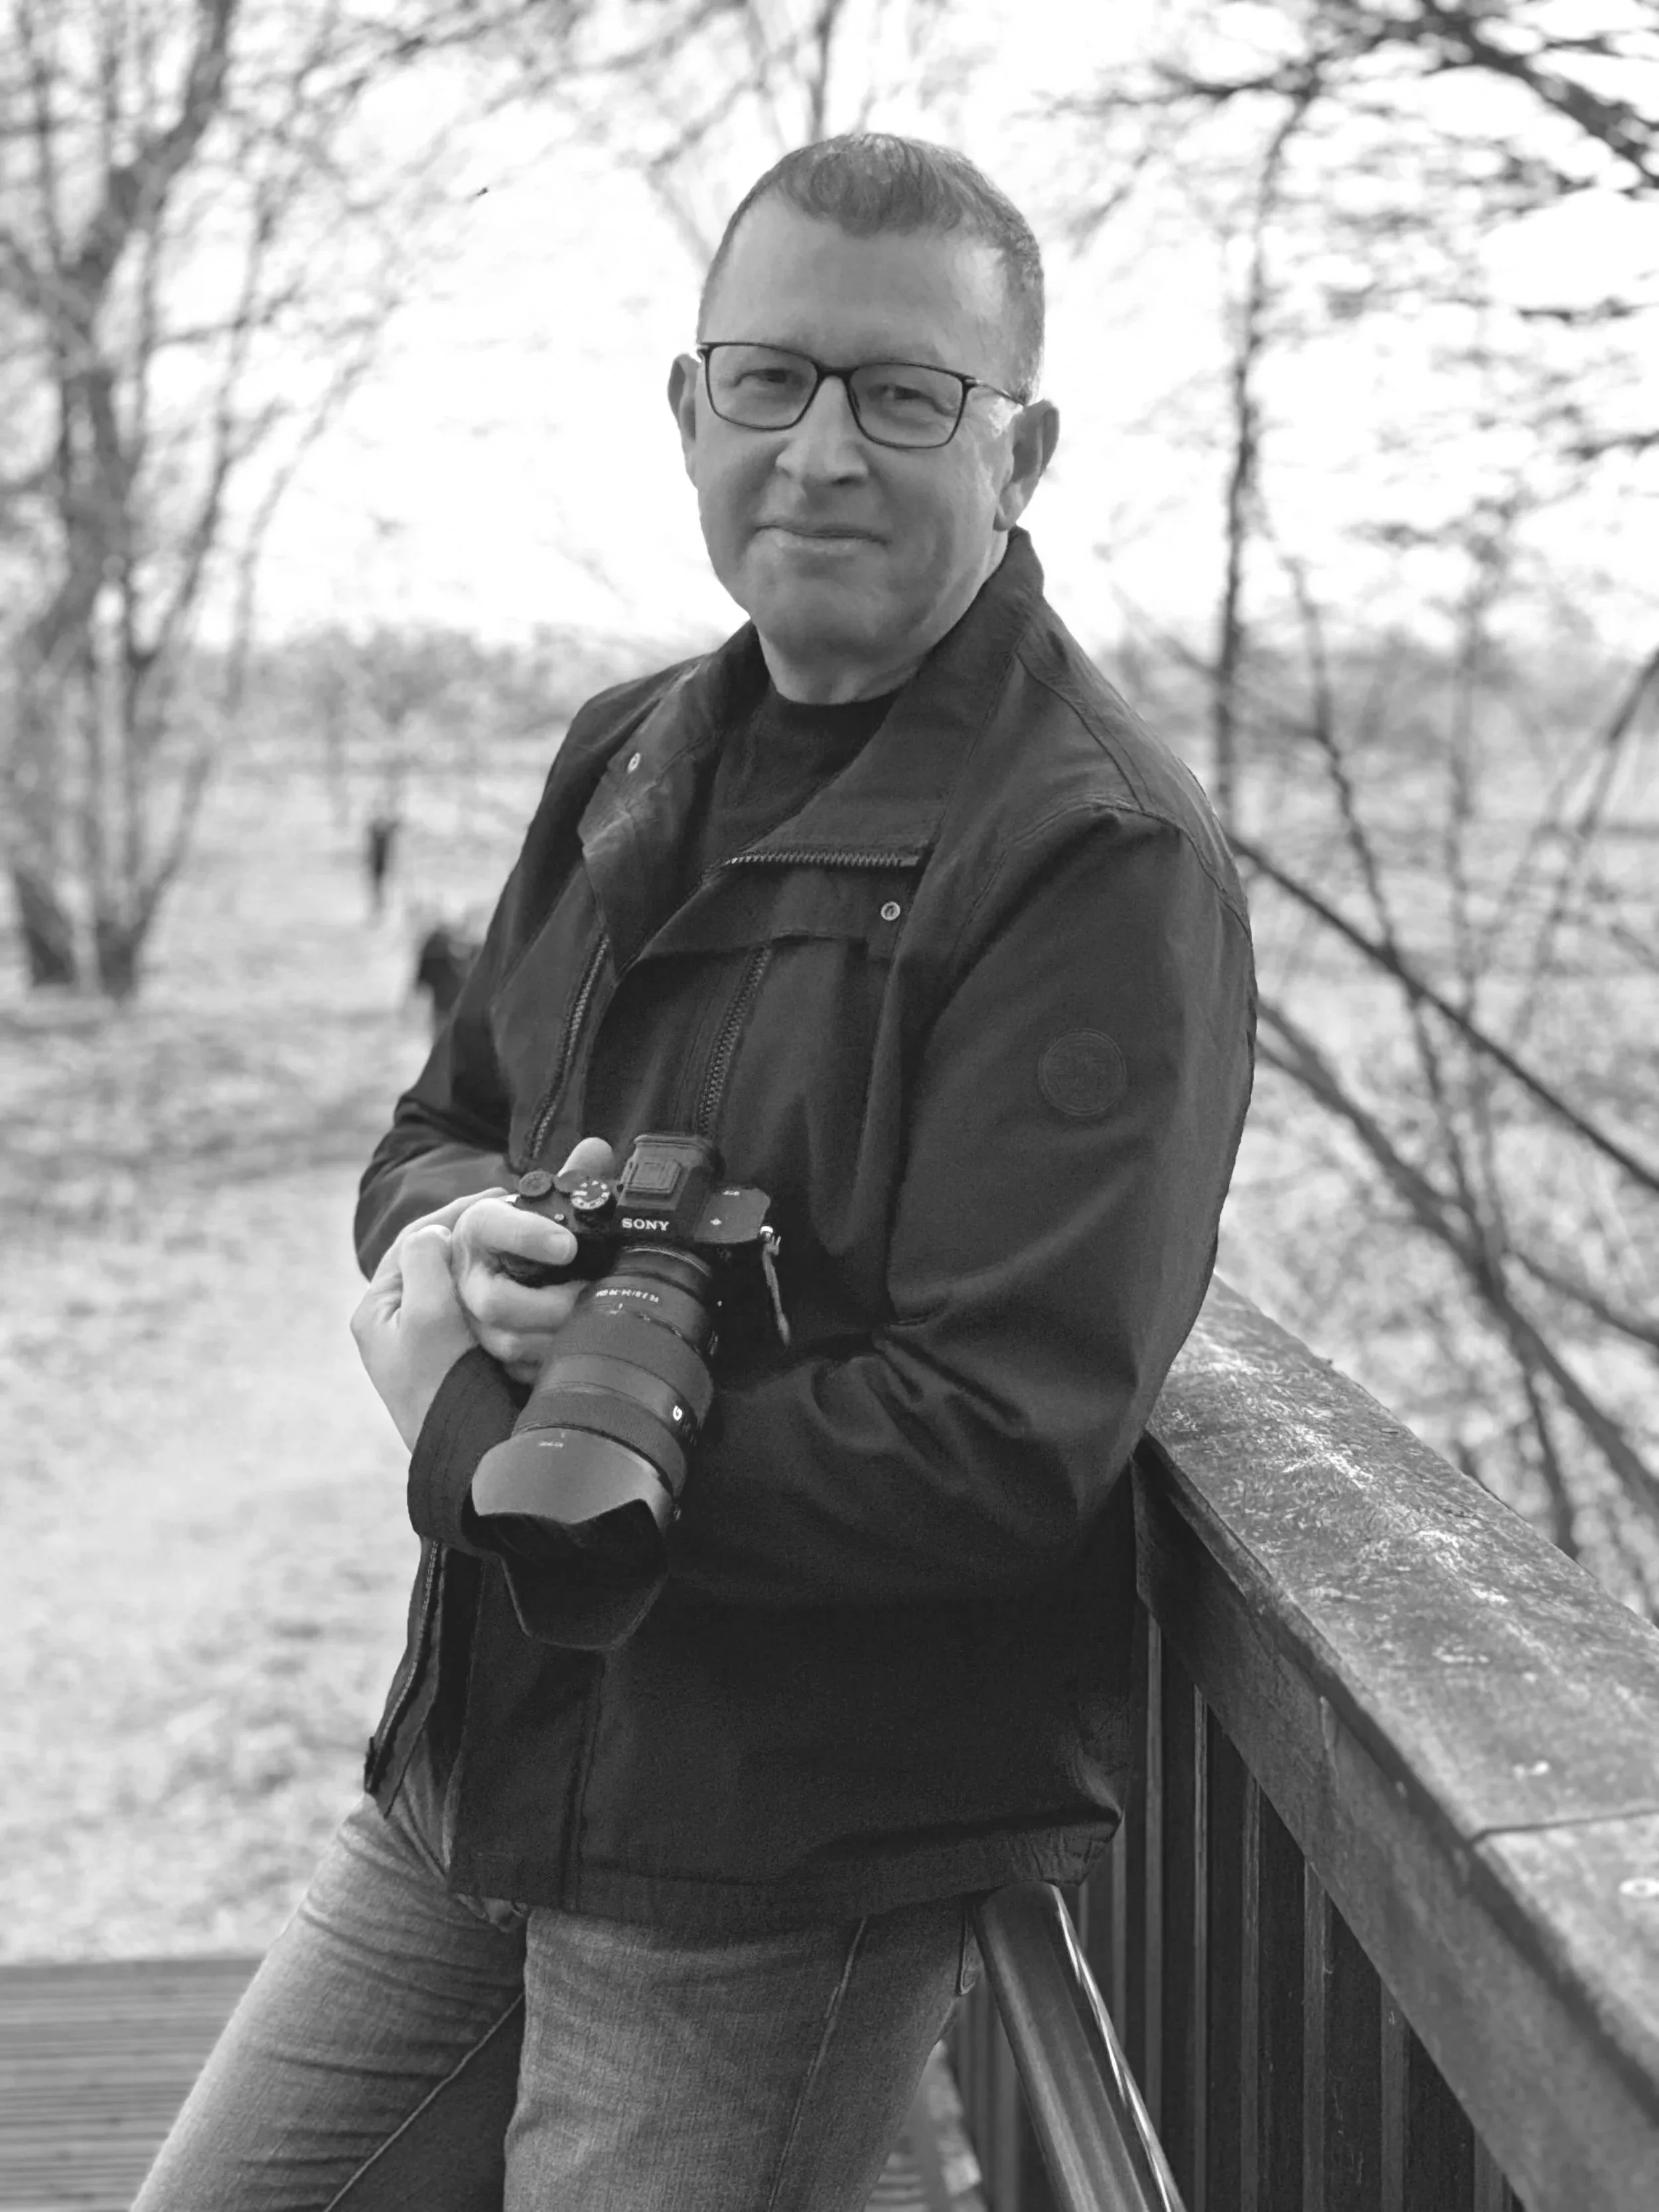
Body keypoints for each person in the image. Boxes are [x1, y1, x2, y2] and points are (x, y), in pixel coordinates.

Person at [136, 133, 1255, 2211]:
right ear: (688, 406)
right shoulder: (627, 746)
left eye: (904, 393)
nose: (822, 450)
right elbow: (432, 1126)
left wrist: (478, 1434)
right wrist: (459, 1242)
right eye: (772, 379)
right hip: (482, 1766)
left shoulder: (1091, 854)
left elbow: (996, 1440)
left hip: (775, 1853)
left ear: (1021, 448)